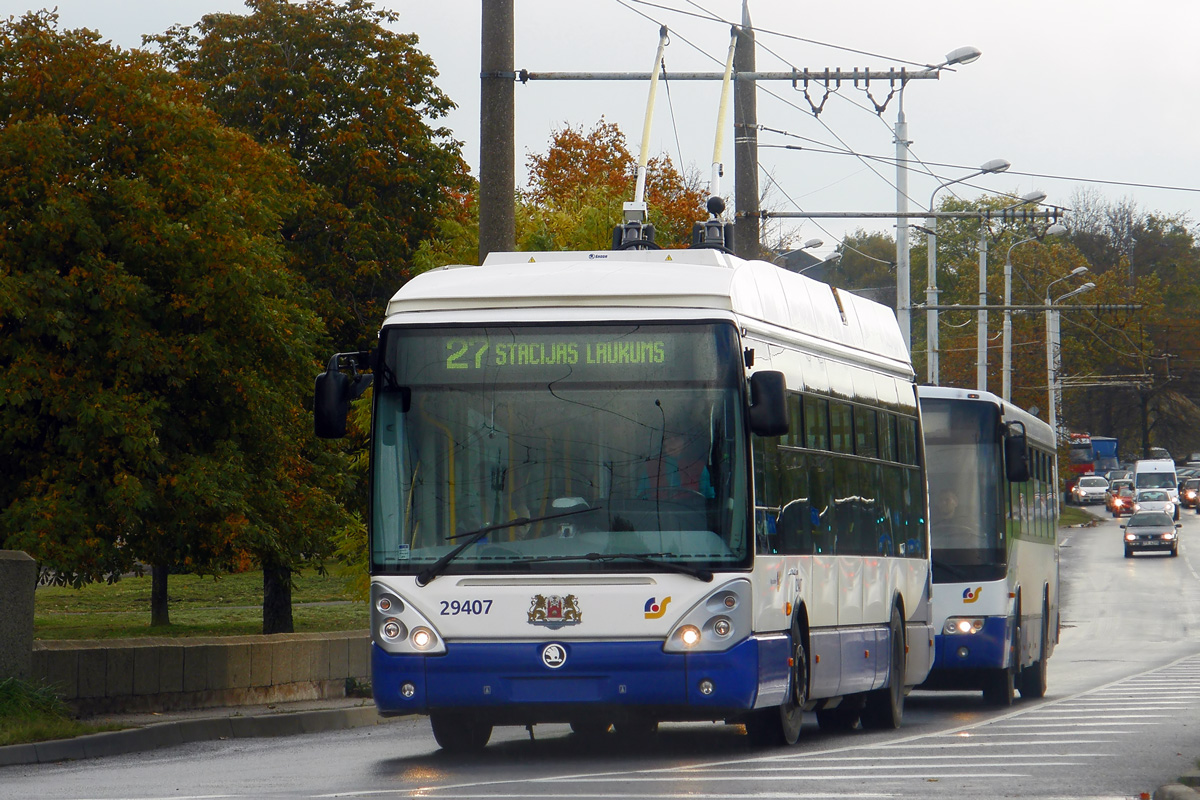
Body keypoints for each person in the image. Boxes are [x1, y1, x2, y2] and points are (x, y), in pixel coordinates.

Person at [639, 433, 714, 500]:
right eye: (667, 438)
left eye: (677, 438)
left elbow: (709, 500)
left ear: (685, 441)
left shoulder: (699, 467)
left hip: (689, 514)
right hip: (655, 514)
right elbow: (640, 499)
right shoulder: (651, 467)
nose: (672, 442)